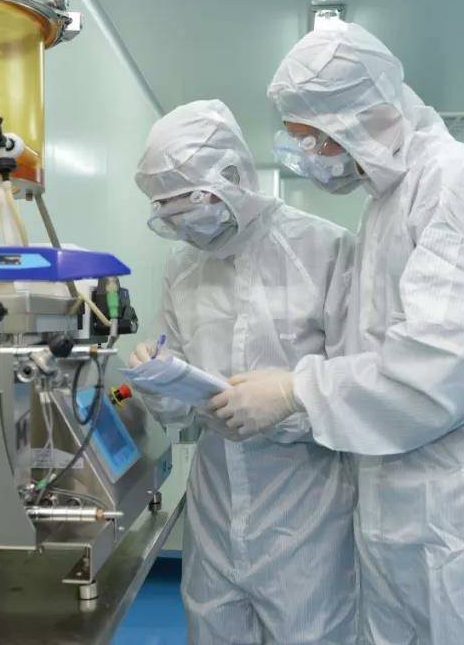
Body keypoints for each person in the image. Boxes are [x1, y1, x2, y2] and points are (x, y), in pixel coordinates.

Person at [209, 23, 464, 645]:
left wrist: (296, 391)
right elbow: (373, 355)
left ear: (365, 118)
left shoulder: (460, 182)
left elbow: (439, 368)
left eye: (315, 139)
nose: (310, 156)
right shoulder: (385, 204)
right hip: (398, 515)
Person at [130, 99, 359, 645]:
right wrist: (157, 383)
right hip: (214, 507)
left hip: (307, 511)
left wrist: (289, 403)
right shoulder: (183, 266)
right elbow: (177, 396)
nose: (187, 228)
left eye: (194, 205)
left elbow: (360, 384)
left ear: (233, 176)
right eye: (171, 215)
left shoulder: (325, 249)